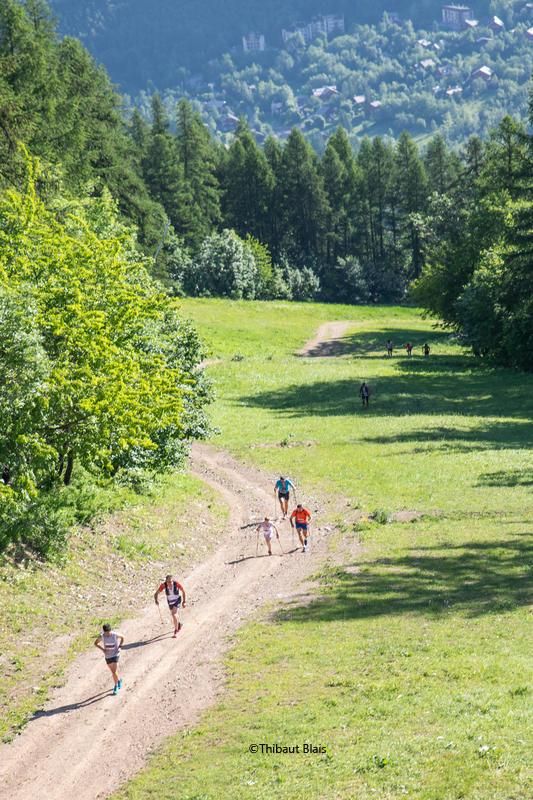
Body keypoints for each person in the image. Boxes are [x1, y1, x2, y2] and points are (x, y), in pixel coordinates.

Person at [94, 623, 124, 695]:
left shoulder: (114, 634)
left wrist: (120, 646)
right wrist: (103, 650)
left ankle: (115, 686)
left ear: (111, 630)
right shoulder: (102, 636)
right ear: (104, 631)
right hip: (108, 656)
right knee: (113, 672)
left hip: (115, 654)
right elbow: (95, 643)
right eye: (106, 633)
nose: (108, 634)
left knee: (114, 671)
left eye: (109, 632)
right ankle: (119, 680)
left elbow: (123, 637)